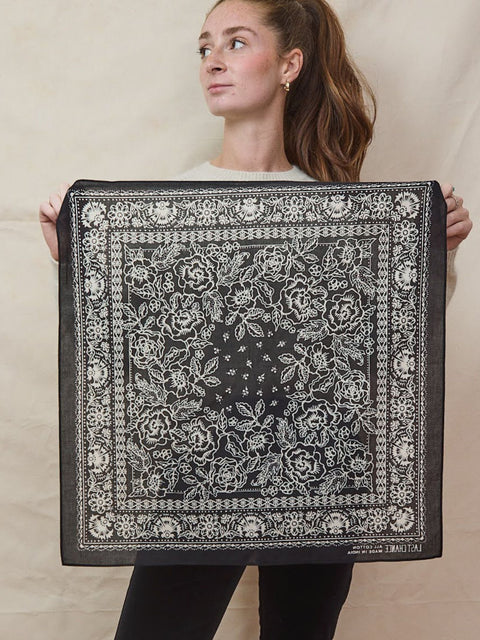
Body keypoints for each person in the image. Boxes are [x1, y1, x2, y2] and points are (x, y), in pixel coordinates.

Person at [39, 1, 472, 638]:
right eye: (205, 46)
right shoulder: (162, 210)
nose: (213, 59)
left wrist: (438, 255)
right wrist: (73, 262)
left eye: (237, 43)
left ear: (290, 64)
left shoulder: (341, 215)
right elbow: (134, 361)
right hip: (193, 480)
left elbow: (381, 355)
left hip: (321, 479)